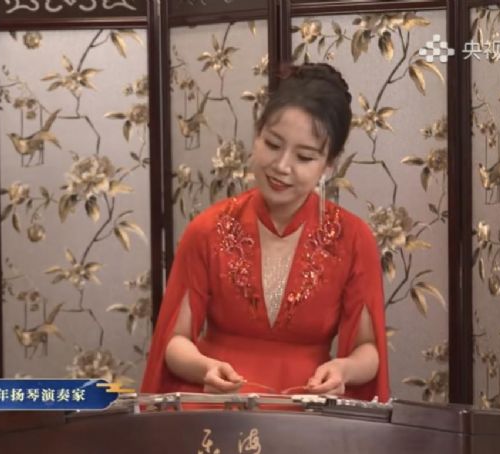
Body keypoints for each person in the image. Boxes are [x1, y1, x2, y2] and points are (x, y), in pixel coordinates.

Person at [141, 63, 389, 401]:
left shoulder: (353, 239)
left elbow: (367, 350)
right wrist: (204, 368)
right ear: (257, 136)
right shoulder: (207, 230)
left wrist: (343, 370)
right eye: (272, 144)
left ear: (328, 164)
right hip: (218, 408)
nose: (282, 166)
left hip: (308, 412)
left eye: (304, 157)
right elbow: (174, 341)